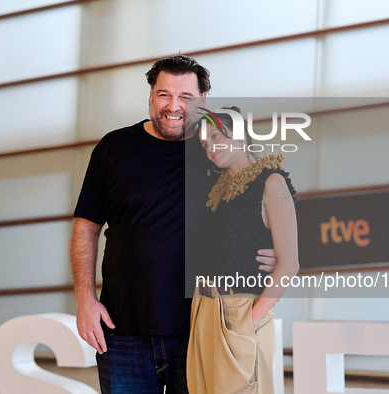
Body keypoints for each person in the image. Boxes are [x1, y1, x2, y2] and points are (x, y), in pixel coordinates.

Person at [70, 56, 278, 393]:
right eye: (164, 95)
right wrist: (84, 299)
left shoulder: (223, 150)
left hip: (203, 327)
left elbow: (274, 204)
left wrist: (276, 251)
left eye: (185, 97)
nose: (174, 106)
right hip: (123, 332)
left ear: (203, 101)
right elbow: (86, 227)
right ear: (151, 96)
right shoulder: (114, 148)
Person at [187, 108, 300, 394]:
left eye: (215, 135)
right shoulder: (216, 191)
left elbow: (289, 264)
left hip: (241, 312)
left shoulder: (271, 182)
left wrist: (249, 322)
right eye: (204, 144)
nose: (210, 147)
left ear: (240, 135)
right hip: (204, 309)